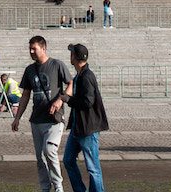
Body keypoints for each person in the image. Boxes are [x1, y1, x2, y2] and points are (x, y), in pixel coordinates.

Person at [11, 35, 71, 192]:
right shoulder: (29, 70)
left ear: (43, 48)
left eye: (34, 49)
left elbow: (71, 83)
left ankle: (58, 186)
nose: (31, 51)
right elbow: (25, 95)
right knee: (40, 158)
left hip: (54, 120)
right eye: (30, 49)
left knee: (50, 151)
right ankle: (45, 187)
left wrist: (61, 100)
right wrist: (17, 117)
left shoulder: (57, 65)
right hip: (36, 120)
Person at [63, 43, 108, 192]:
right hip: (78, 127)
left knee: (93, 167)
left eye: (71, 53)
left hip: (88, 128)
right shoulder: (80, 75)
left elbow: (88, 101)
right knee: (68, 160)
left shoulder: (87, 76)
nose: (70, 56)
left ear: (74, 57)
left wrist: (68, 99)